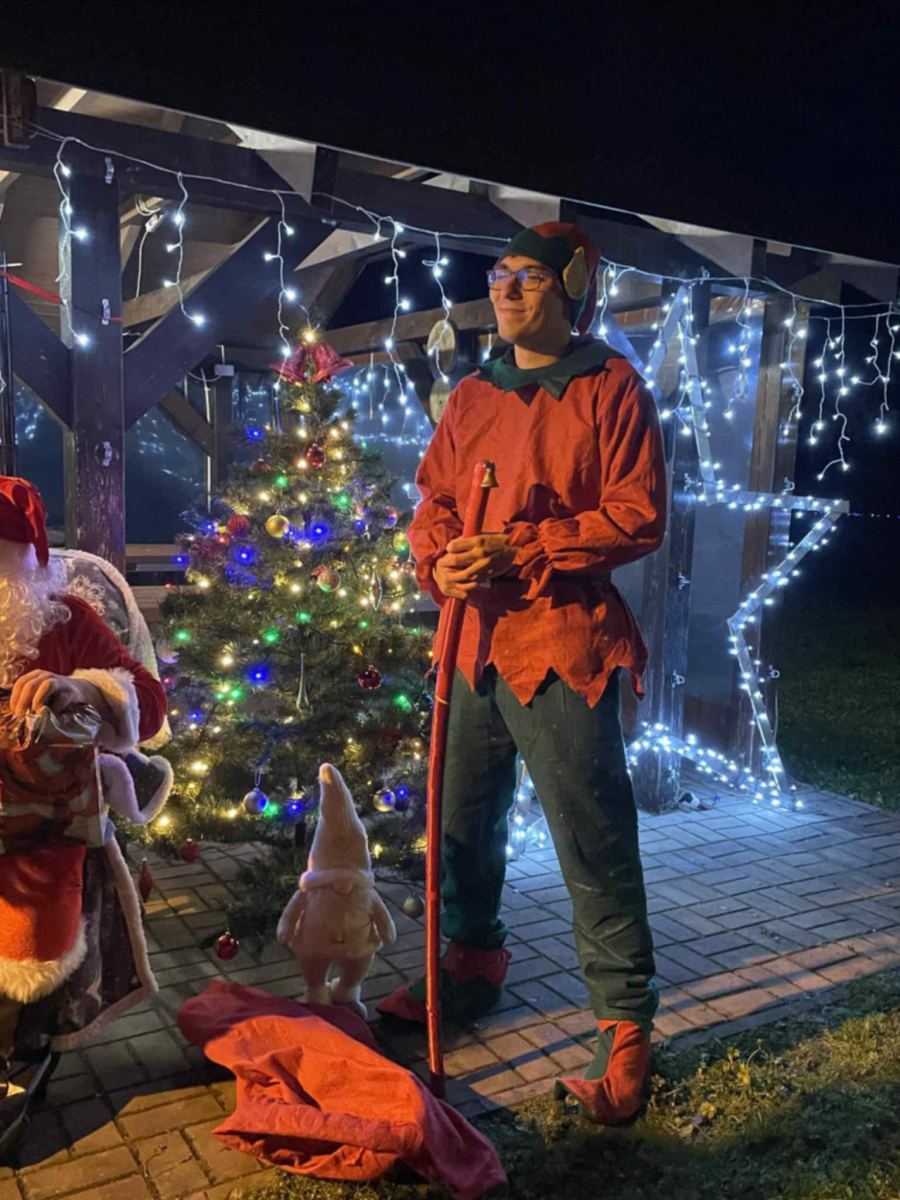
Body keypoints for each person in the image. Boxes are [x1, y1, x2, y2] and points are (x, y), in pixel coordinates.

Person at [378, 222, 667, 1125]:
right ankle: (470, 965)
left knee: (591, 831)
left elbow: (637, 515)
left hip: (564, 644)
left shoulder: (612, 387)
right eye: (499, 274)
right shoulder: (472, 394)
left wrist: (523, 546)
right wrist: (441, 556)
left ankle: (625, 1021)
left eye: (529, 277)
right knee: (463, 821)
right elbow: (435, 499)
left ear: (573, 286)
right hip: (469, 642)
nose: (504, 290)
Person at [0, 476, 167, 1157]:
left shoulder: (66, 619)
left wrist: (85, 690)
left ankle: (16, 1054)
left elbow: (149, 705)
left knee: (32, 927)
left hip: (40, 827)